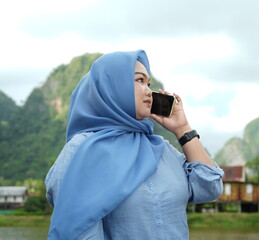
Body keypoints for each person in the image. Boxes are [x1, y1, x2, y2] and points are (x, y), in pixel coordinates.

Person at [45, 50, 224, 240]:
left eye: (149, 84)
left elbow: (210, 187)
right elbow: (77, 231)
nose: (149, 91)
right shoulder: (82, 149)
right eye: (139, 81)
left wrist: (183, 129)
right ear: (113, 86)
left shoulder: (160, 148)